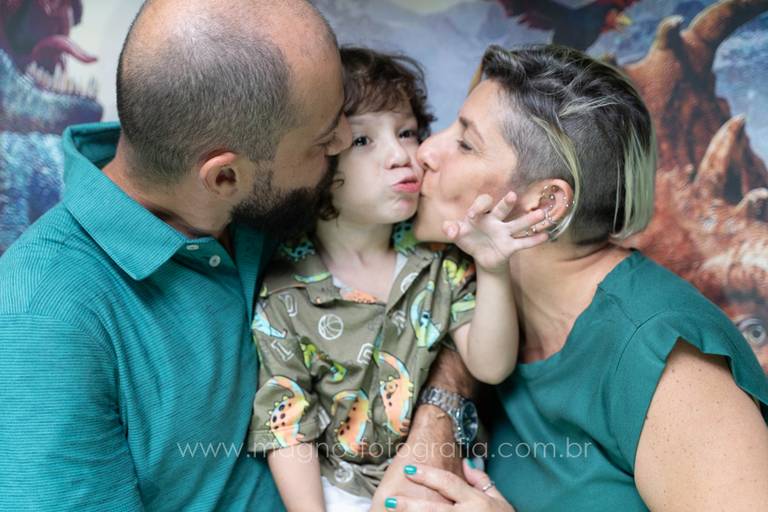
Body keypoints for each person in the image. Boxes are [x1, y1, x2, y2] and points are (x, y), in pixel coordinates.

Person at [0, 1, 476, 510]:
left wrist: (437, 417)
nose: (342, 143)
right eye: (323, 141)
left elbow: (442, 292)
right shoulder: (41, 319)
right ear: (224, 177)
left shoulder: (278, 202)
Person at [382, 44, 768, 511]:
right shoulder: (468, 294)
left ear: (545, 205)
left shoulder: (668, 362)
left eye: (466, 144)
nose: (425, 151)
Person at [246, 46, 547, 511]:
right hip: (340, 493)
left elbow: (490, 366)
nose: (401, 155)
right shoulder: (286, 291)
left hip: (444, 482)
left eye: (406, 132)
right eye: (362, 141)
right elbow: (288, 429)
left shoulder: (441, 259)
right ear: (314, 162)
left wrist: (492, 269)